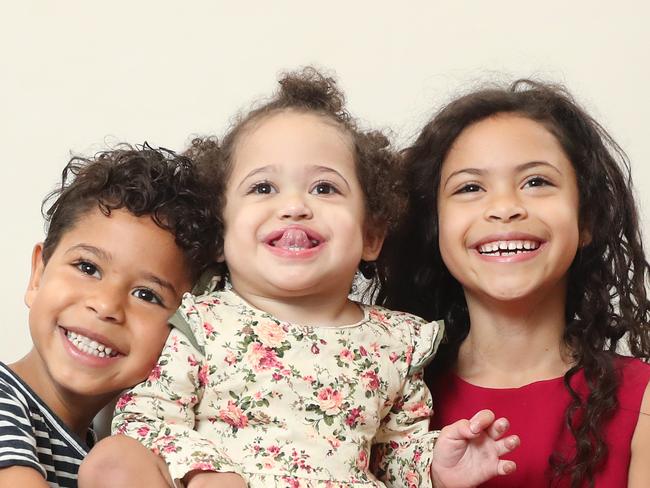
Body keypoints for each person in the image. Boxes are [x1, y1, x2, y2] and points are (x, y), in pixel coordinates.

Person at [79, 68, 519, 488]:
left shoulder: (396, 341)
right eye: (263, 188)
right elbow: (146, 418)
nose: (294, 206)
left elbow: (393, 453)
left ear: (370, 235)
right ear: (221, 232)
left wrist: (434, 466)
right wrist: (203, 470)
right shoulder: (204, 323)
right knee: (112, 460)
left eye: (324, 188)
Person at [378, 80, 650, 487]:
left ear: (586, 219)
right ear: (434, 228)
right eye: (470, 188)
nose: (504, 208)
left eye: (537, 182)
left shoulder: (642, 401)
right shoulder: (378, 394)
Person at [0, 145, 221, 487]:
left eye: (147, 295)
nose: (106, 306)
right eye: (87, 267)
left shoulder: (105, 457)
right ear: (38, 276)